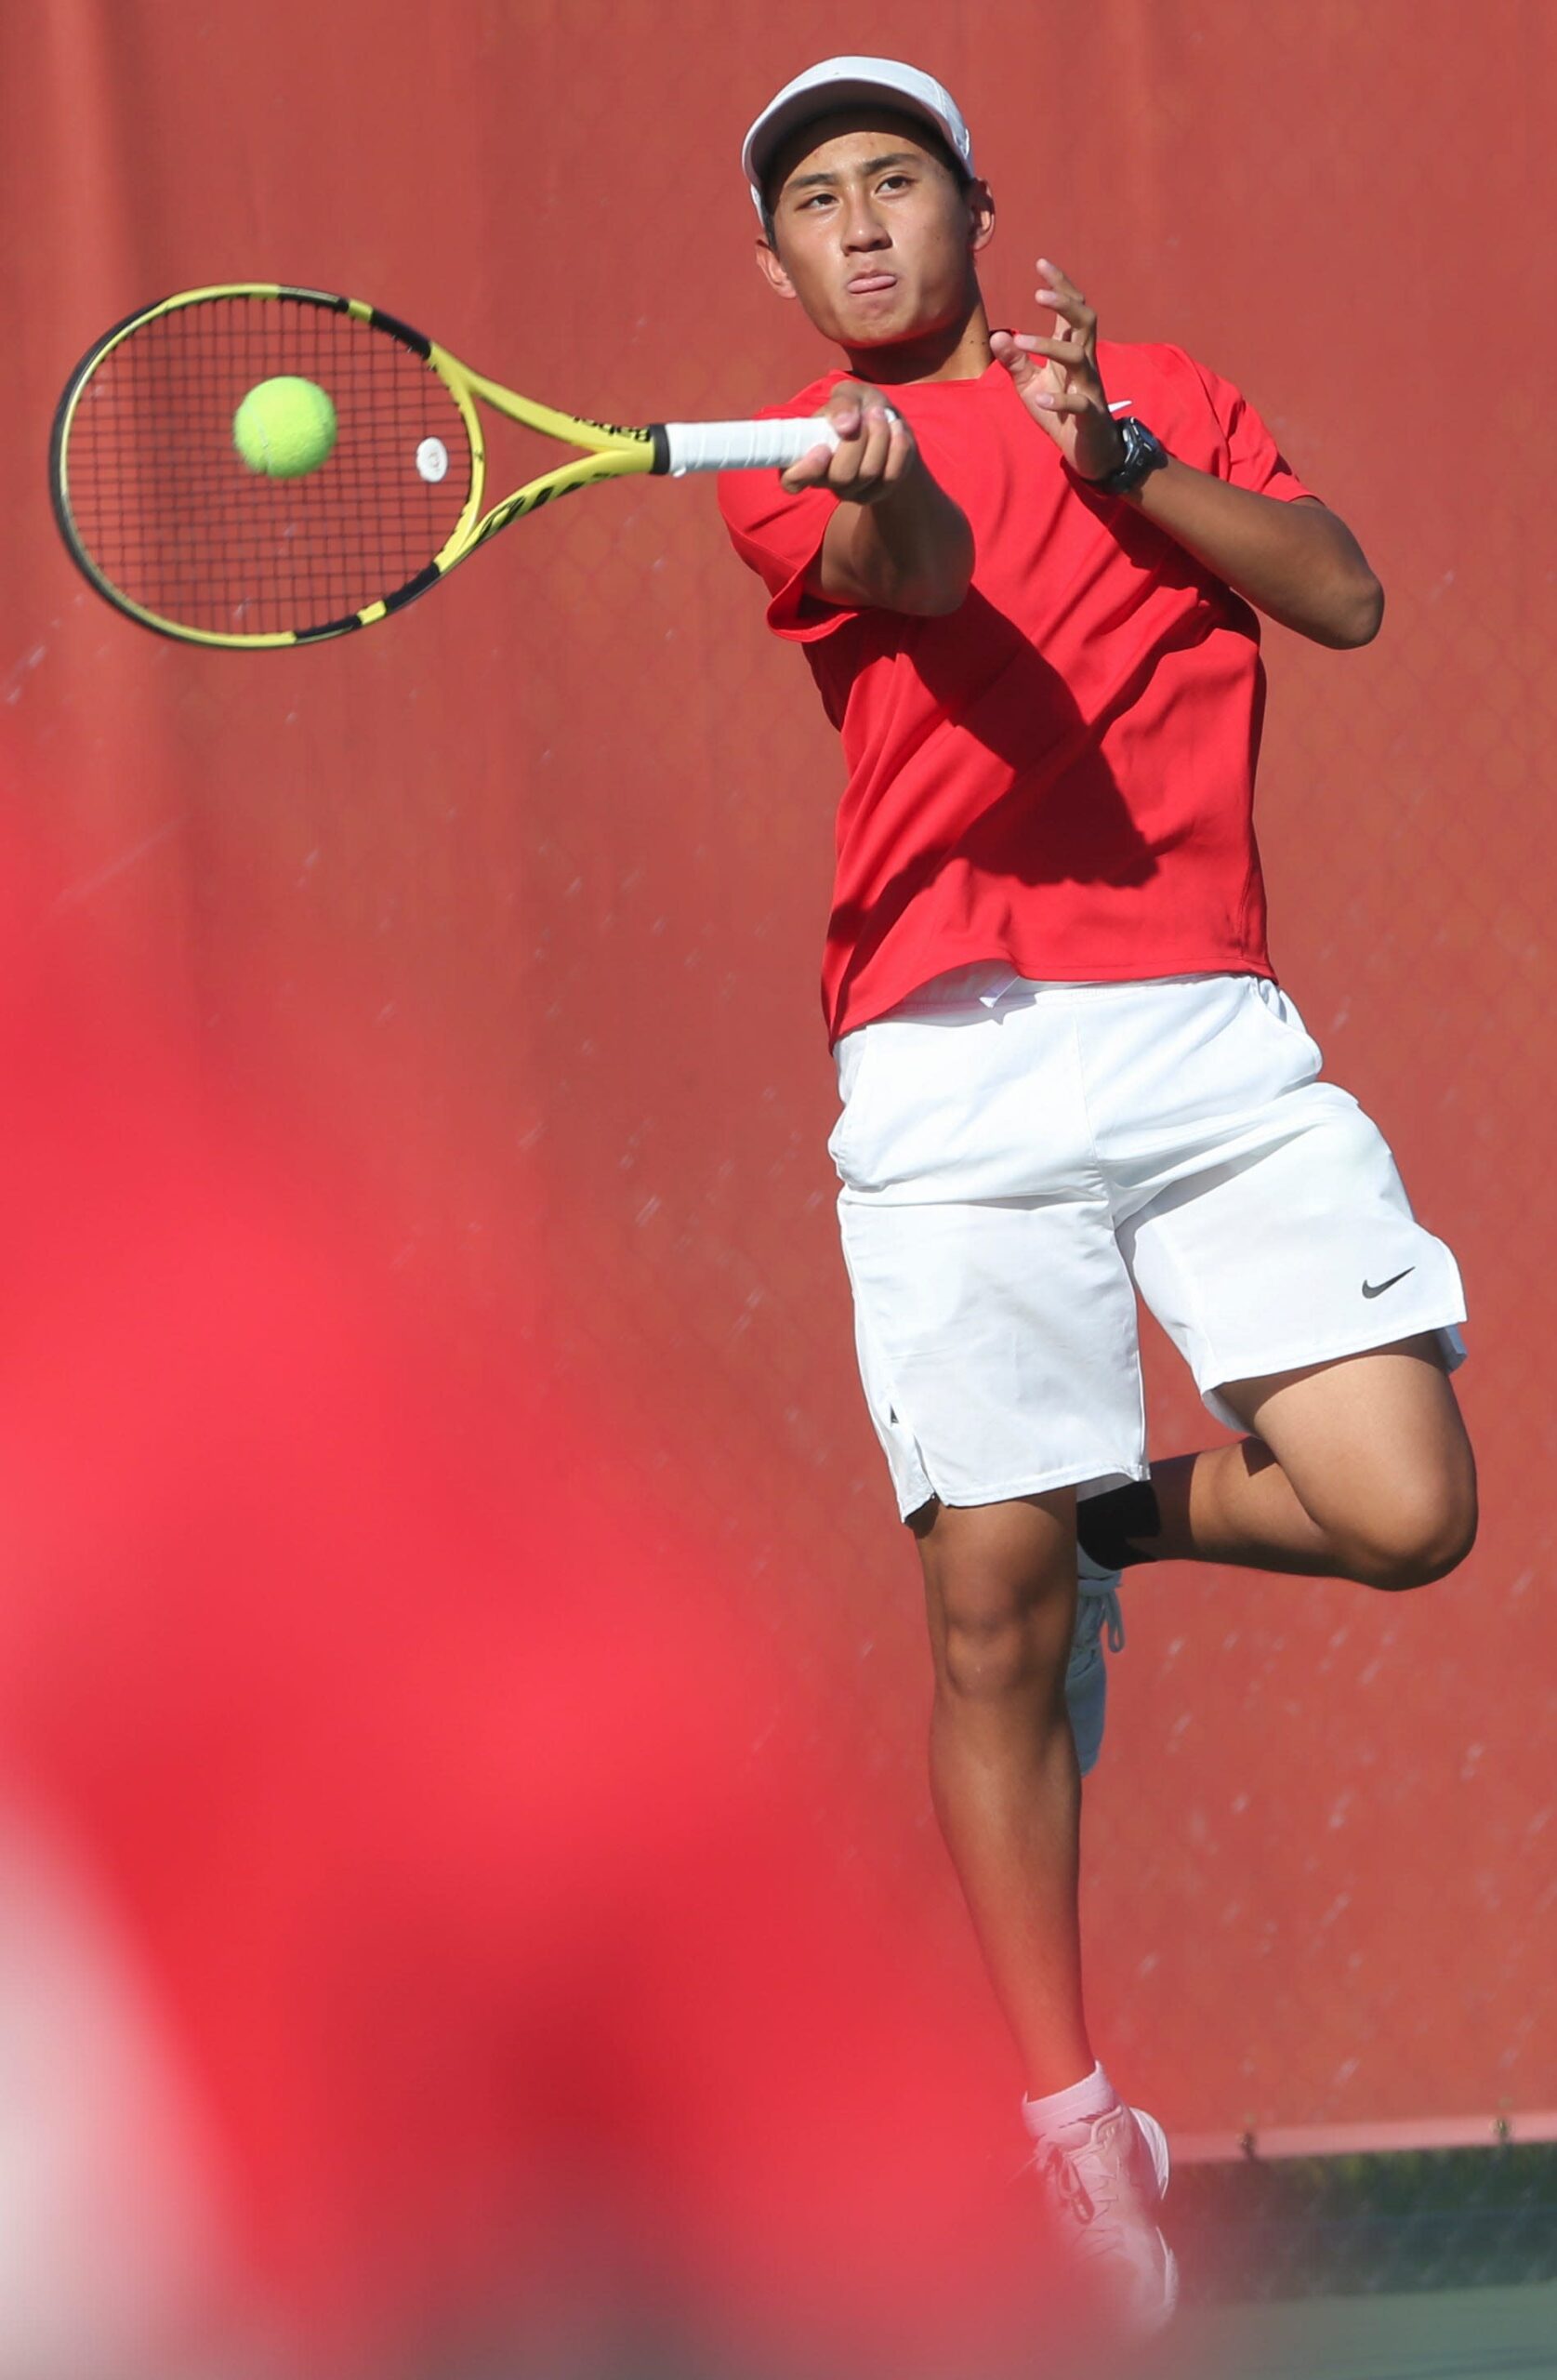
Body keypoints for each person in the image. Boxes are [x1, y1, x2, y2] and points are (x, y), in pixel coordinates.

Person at [717, 55, 1477, 2335]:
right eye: (816, 207)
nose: (860, 227)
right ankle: (1071, 2130)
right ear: (777, 270)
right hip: (942, 1069)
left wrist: (1115, 457)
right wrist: (904, 486)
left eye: (894, 184)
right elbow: (925, 580)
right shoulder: (790, 473)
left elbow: (1336, 593)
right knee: (983, 1634)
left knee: (1403, 1501)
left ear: (969, 211)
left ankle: (1097, 1519)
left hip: (1200, 1030)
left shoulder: (1147, 390)